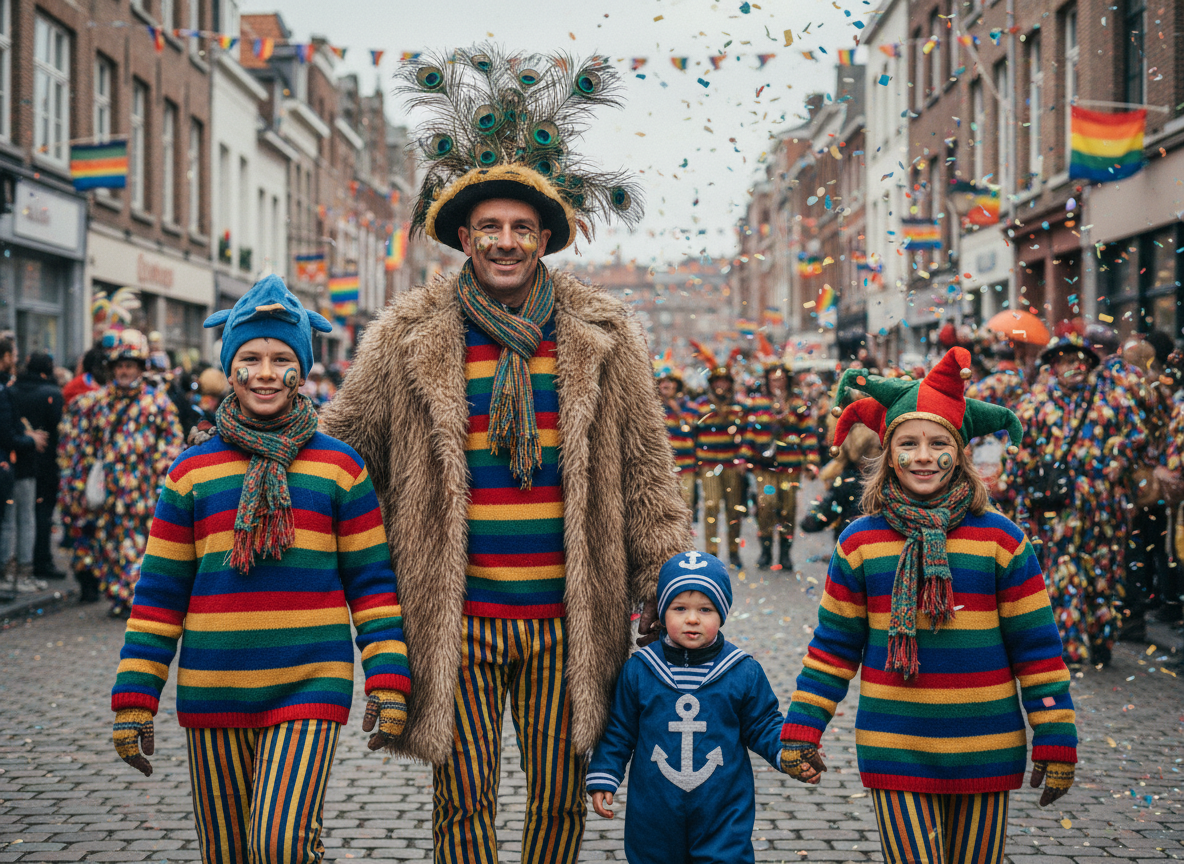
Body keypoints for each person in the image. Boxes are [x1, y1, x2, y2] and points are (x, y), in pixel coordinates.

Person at [319, 48, 690, 864]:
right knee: (462, 803)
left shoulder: (603, 336)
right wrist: (258, 459)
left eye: (522, 228)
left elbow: (645, 477)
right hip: (454, 619)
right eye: (489, 227)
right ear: (464, 236)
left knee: (561, 799)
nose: (505, 241)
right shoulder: (407, 337)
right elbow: (340, 455)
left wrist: (668, 586)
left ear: (546, 238)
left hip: (571, 618)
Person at [109, 275, 409, 864]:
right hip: (213, 687)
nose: (266, 373)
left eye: (281, 360)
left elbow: (372, 585)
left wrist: (388, 676)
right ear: (229, 369)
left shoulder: (341, 468)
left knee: (280, 844)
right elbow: (160, 596)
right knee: (227, 851)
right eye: (250, 359)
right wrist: (135, 695)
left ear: (302, 370)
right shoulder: (191, 473)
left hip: (309, 683)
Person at [782, 347, 1078, 864]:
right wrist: (802, 728)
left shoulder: (1003, 541)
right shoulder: (859, 543)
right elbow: (833, 648)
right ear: (887, 453)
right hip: (895, 744)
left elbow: (1036, 650)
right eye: (909, 443)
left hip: (986, 745)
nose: (923, 456)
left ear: (961, 453)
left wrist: (1055, 734)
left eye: (938, 442)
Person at [585, 551, 786, 864]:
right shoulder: (640, 670)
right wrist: (604, 775)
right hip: (654, 807)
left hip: (723, 805)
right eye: (679, 608)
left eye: (705, 609)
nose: (692, 619)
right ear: (662, 612)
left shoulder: (743, 671)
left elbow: (762, 724)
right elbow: (619, 731)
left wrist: (788, 751)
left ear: (722, 614)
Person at [1003, 333, 1149, 664]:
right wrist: (1018, 491)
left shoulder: (1113, 402)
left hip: (1104, 509)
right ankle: (1069, 646)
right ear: (1054, 366)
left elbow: (1138, 438)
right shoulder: (1034, 405)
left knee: (1103, 574)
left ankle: (1101, 640)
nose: (1076, 367)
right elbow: (1016, 456)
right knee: (1063, 573)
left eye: (1081, 361)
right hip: (1057, 510)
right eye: (1068, 361)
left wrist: (1120, 457)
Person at [57, 330, 184, 613]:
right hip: (110, 493)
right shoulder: (98, 403)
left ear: (140, 369)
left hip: (143, 493)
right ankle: (120, 595)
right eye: (120, 366)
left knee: (138, 546)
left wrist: (162, 476)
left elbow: (172, 443)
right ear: (112, 369)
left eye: (130, 366)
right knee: (111, 546)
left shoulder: (157, 403)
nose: (125, 371)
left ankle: (132, 598)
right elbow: (83, 444)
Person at [745, 345, 818, 571]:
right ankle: (766, 551)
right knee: (766, 506)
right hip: (764, 467)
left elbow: (807, 433)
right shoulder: (758, 403)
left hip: (790, 466)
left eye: (781, 379)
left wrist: (812, 460)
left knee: (788, 509)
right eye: (773, 379)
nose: (777, 383)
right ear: (767, 381)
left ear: (788, 380)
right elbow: (750, 431)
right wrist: (744, 457)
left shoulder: (798, 403)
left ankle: (785, 554)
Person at [690, 343, 749, 568]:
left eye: (724, 381)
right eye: (717, 382)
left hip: (732, 465)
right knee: (712, 506)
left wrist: (742, 458)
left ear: (730, 384)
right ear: (712, 384)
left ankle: (734, 551)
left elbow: (746, 435)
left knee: (734, 509)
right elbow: (693, 435)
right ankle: (711, 553)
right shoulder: (700, 406)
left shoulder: (739, 407)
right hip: (708, 464)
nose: (721, 385)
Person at [8, 352, 65, 582]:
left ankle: (17, 562)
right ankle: (39, 560)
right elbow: (60, 429)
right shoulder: (52, 393)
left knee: (15, 516)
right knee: (39, 513)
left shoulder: (13, 389)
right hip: (45, 459)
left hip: (18, 458)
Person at [0, 338, 47, 596]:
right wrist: (30, 439)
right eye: (14, 354)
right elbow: (7, 433)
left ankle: (9, 572)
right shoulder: (5, 389)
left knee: (10, 519)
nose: (16, 358)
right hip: (13, 464)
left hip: (12, 463)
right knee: (18, 519)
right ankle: (16, 574)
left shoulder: (10, 387)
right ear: (6, 356)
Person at [656, 358, 697, 520]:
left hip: (686, 465)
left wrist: (677, 409)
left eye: (670, 381)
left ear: (677, 385)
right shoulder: (652, 408)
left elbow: (693, 427)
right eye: (662, 382)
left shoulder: (689, 406)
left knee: (685, 507)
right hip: (661, 469)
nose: (666, 385)